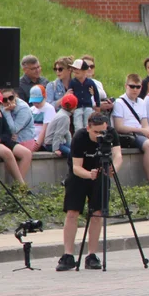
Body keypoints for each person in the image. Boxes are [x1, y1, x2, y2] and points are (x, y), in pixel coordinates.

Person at [56, 112, 123, 271]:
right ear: (88, 128)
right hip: (80, 175)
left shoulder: (111, 133)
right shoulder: (80, 137)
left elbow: (118, 154)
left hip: (101, 175)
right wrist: (89, 174)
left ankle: (92, 255)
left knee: (97, 213)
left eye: (103, 131)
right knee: (73, 212)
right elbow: (76, 167)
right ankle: (68, 255)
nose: (101, 135)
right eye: (96, 132)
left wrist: (114, 168)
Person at [41, 92, 76, 171]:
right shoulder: (64, 117)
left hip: (58, 142)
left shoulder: (62, 113)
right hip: (52, 144)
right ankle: (73, 172)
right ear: (74, 107)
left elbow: (67, 132)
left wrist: (70, 144)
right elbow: (58, 134)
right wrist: (55, 149)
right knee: (72, 155)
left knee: (76, 150)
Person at [68, 58, 101, 130]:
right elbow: (70, 94)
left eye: (77, 72)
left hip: (88, 106)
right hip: (77, 107)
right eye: (74, 72)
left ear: (84, 72)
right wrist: (71, 106)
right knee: (78, 124)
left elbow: (96, 94)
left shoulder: (90, 82)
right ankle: (79, 136)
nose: (75, 74)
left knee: (88, 123)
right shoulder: (73, 82)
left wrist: (98, 105)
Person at [29, 86, 56, 151]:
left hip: (43, 141)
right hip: (32, 138)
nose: (36, 104)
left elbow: (44, 129)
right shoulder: (31, 109)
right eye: (34, 102)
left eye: (38, 102)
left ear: (45, 97)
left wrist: (38, 144)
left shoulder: (49, 108)